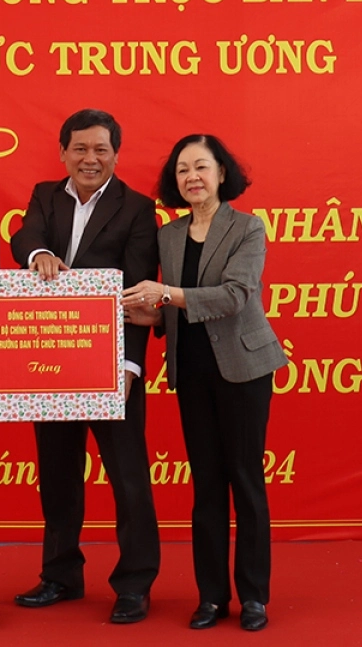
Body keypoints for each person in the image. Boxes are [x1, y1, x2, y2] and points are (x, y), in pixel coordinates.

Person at [122, 134, 287, 632]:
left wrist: (166, 294)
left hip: (243, 370)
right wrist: (141, 311)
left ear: (221, 174)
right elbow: (171, 307)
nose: (191, 177)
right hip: (192, 371)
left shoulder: (247, 228)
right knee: (206, 485)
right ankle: (211, 597)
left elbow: (234, 296)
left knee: (245, 480)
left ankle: (253, 597)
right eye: (182, 170)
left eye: (201, 167)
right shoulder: (169, 235)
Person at [10, 108, 161, 624]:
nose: (89, 158)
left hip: (111, 365)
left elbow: (139, 292)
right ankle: (60, 575)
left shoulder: (137, 209)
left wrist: (130, 367)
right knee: (57, 474)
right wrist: (38, 253)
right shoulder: (44, 195)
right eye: (80, 148)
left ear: (116, 155)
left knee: (129, 479)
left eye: (100, 149)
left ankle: (134, 584)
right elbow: (24, 236)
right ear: (63, 153)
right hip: (52, 361)